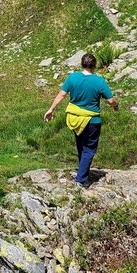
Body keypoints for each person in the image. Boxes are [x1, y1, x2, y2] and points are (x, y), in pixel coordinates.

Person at [43, 52, 117, 188]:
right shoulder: (99, 81)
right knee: (89, 149)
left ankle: (83, 171)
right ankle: (81, 180)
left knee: (81, 146)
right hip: (92, 121)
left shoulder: (72, 78)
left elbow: (62, 94)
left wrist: (51, 109)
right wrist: (115, 106)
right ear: (94, 65)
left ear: (81, 64)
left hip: (75, 119)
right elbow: (111, 100)